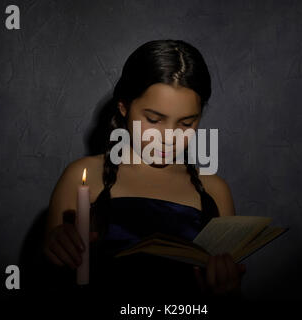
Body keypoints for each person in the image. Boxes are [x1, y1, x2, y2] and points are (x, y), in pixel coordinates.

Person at [42, 39, 246, 310]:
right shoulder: (83, 176)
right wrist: (54, 250)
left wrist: (225, 289)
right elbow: (48, 288)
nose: (169, 138)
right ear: (124, 106)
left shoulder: (214, 191)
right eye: (153, 119)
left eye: (187, 123)